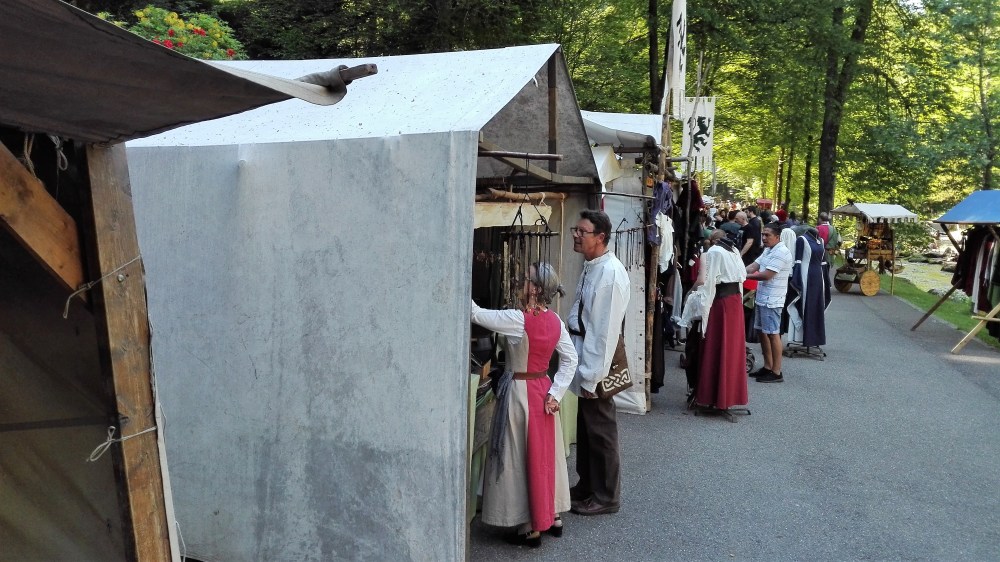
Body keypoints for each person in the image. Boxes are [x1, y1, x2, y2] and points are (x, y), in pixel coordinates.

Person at [471, 262, 578, 547]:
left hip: (519, 393)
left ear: (535, 289)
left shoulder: (517, 320)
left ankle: (529, 525)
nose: (520, 281)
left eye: (526, 279)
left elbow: (476, 314)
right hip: (543, 390)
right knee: (545, 455)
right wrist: (555, 393)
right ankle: (551, 513)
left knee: (519, 458)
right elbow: (571, 359)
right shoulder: (556, 322)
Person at [565, 210, 630, 516]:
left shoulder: (610, 274)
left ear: (601, 237)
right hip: (587, 351)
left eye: (583, 232)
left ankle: (606, 495)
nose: (576, 236)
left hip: (600, 358)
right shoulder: (593, 266)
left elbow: (603, 332)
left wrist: (591, 376)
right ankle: (588, 484)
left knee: (601, 427)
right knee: (587, 425)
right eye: (575, 230)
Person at [690, 230, 748, 411]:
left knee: (722, 346)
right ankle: (720, 396)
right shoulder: (731, 250)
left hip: (723, 303)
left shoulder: (718, 251)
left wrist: (702, 308)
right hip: (732, 301)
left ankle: (719, 396)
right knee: (726, 347)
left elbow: (708, 284)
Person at [746, 223, 793, 383]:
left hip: (773, 300)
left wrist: (743, 276)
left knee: (773, 334)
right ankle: (767, 366)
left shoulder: (781, 252)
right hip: (762, 297)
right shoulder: (768, 250)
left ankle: (776, 372)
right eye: (763, 234)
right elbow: (754, 266)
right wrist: (739, 270)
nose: (764, 238)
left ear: (777, 237)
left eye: (768, 235)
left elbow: (766, 275)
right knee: (762, 332)